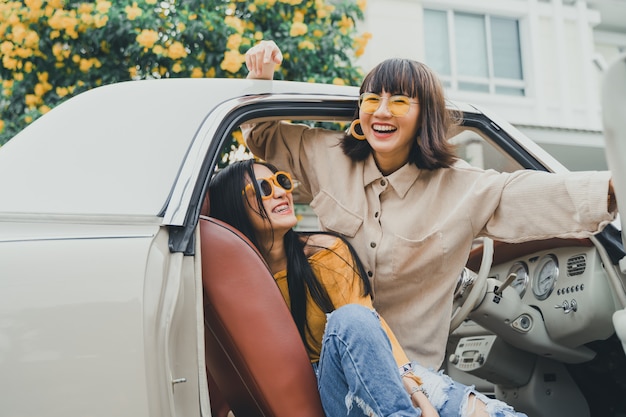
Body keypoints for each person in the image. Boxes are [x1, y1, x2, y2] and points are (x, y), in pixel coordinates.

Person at [241, 40, 617, 416]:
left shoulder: (465, 188)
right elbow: (263, 136)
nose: (382, 112)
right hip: (339, 377)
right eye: (372, 100)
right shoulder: (328, 157)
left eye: (400, 101)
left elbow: (550, 195)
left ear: (425, 116)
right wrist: (261, 76)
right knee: (352, 320)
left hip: (417, 377)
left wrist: (615, 189)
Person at [208, 159, 439, 417]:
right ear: (234, 206)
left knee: (484, 410)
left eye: (281, 182)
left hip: (367, 378)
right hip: (326, 399)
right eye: (264, 188)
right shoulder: (232, 288)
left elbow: (369, 328)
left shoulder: (325, 253)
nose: (282, 192)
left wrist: (418, 394)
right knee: (350, 319)